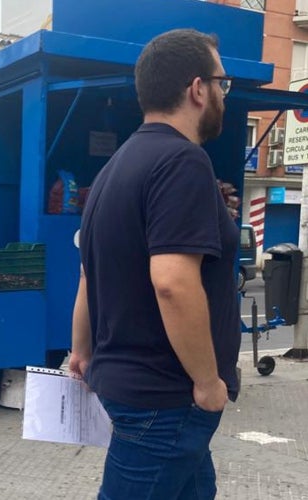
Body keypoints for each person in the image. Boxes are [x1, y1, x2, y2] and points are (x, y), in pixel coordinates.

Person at [69, 29, 240, 499]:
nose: (225, 94)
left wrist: (81, 351)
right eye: (222, 83)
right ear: (198, 88)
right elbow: (172, 282)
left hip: (138, 390)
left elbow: (88, 272)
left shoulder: (116, 167)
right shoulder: (183, 161)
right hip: (166, 399)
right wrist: (208, 383)